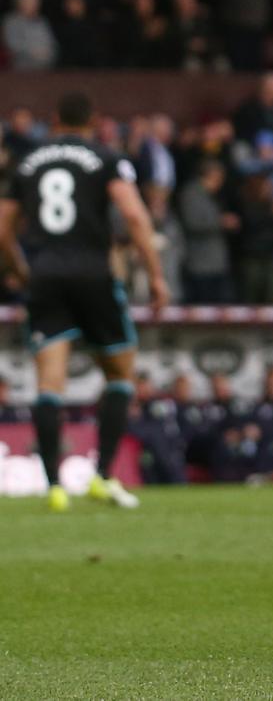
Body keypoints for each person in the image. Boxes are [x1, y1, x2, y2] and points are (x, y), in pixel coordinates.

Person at [0, 90, 169, 511]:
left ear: (55, 119)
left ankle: (55, 486)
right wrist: (156, 276)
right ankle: (104, 476)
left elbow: (2, 228)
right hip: (94, 273)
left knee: (49, 382)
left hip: (46, 277)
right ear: (93, 120)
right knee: (119, 375)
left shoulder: (26, 161)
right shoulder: (106, 157)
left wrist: (21, 270)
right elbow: (133, 216)